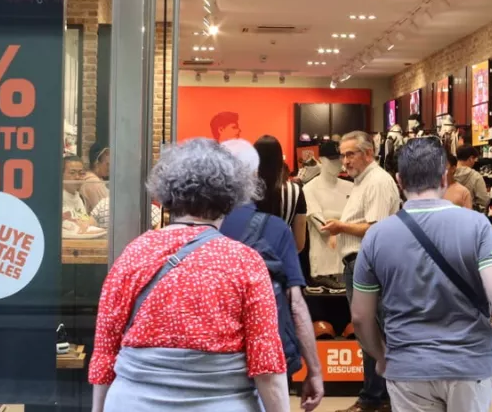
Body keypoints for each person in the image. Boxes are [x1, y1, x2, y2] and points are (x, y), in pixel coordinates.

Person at [88, 138, 290, 412]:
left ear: (168, 193)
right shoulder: (244, 262)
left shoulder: (135, 253)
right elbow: (266, 363)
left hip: (133, 402)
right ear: (230, 198)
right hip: (223, 403)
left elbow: (105, 349)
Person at [349, 138, 492, 412]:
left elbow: (360, 316)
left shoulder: (376, 236)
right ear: (444, 177)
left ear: (399, 181)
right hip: (470, 365)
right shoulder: (477, 226)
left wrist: (381, 356)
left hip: (408, 367)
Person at [221, 139, 325, 411]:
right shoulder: (285, 210)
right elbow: (296, 303)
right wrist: (314, 369)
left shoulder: (203, 228)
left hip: (215, 356)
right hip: (268, 347)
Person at [322, 131, 401, 412]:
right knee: (369, 331)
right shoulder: (362, 182)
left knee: (372, 332)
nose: (345, 161)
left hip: (368, 265)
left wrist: (341, 227)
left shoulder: (377, 181)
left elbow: (376, 228)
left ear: (368, 153)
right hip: (359, 264)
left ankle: (376, 398)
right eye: (343, 155)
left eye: (350, 154)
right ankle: (377, 396)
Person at [254, 135, 309, 252]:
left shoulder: (242, 190)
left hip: (246, 259)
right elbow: (299, 243)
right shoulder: (295, 191)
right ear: (280, 160)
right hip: (280, 258)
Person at [62, 155, 96, 232]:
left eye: (81, 173)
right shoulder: (55, 198)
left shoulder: (80, 197)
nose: (77, 177)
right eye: (72, 173)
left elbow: (85, 220)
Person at [84, 145, 112, 228]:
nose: (110, 168)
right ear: (97, 164)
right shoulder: (94, 183)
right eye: (107, 164)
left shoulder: (98, 179)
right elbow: (105, 210)